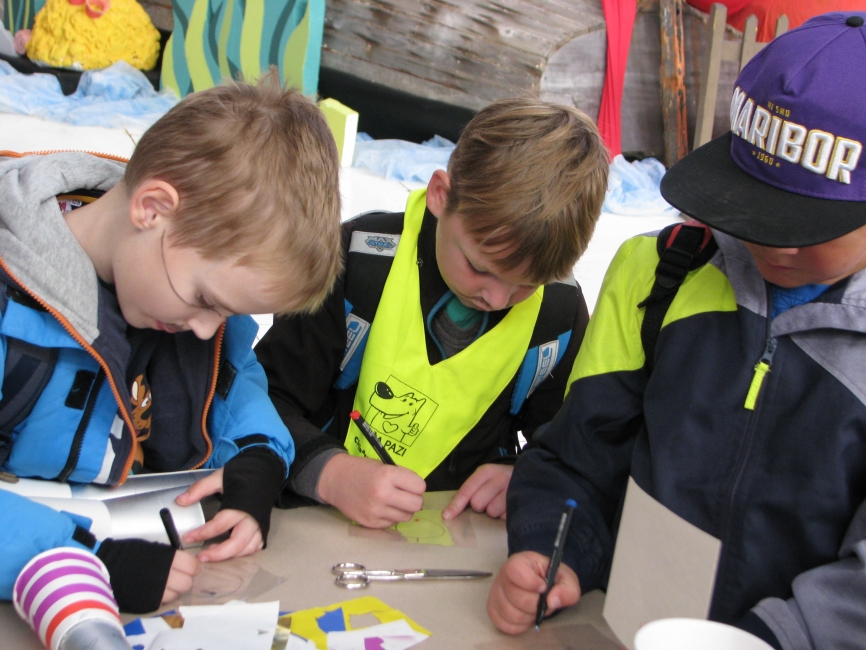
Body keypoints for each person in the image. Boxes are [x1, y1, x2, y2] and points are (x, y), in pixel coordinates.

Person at [487, 12, 866, 648]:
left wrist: (775, 636)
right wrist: (555, 549)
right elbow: (580, 456)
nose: (777, 244)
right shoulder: (660, 273)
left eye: (807, 224)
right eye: (756, 208)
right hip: (625, 627)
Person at [0, 73, 341, 613]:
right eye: (206, 301)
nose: (206, 329)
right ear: (153, 208)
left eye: (226, 313)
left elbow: (233, 382)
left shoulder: (172, 292)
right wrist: (77, 560)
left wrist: (257, 460)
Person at [255, 96, 609, 528]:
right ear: (442, 195)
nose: (498, 298)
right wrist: (329, 473)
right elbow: (263, 399)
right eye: (480, 268)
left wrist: (526, 474)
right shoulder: (354, 261)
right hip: (318, 523)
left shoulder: (558, 316)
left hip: (457, 539)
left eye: (527, 284)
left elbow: (572, 447)